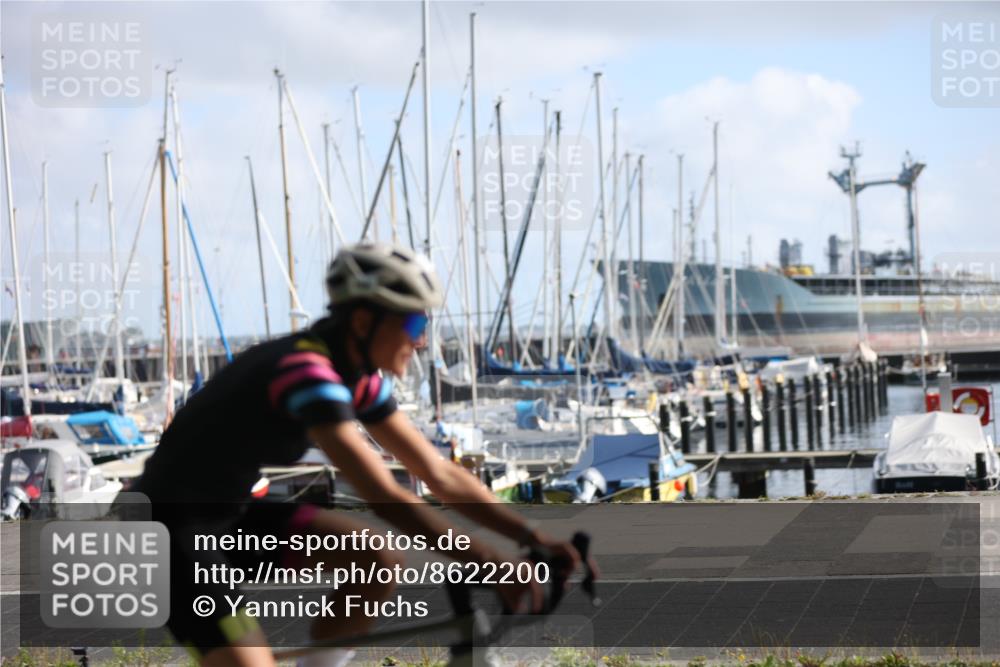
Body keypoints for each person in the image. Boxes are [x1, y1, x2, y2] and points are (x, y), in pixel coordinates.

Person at [128, 243, 593, 667]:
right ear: (363, 322)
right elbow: (383, 495)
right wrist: (486, 559)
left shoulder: (357, 376)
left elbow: (437, 473)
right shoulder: (305, 372)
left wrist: (532, 535)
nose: (422, 340)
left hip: (229, 516)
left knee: (377, 558)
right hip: (166, 532)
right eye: (413, 322)